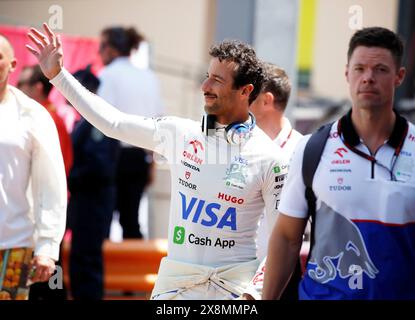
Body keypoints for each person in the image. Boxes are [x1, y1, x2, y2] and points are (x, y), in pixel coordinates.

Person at [26, 23, 286, 300]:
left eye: (217, 81)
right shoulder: (181, 134)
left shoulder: (271, 158)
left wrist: (255, 293)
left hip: (234, 290)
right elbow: (114, 123)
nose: (205, 86)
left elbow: (283, 239)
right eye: (207, 76)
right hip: (176, 286)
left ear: (245, 91)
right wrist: (58, 76)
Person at [263, 26, 415, 300]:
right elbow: (286, 238)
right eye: (359, 69)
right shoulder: (312, 149)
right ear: (347, 73)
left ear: (399, 76)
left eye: (380, 69)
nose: (368, 78)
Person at [0, 34, 67, 300]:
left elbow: (51, 185)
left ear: (13, 65)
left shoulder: (33, 115)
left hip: (13, 247)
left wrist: (48, 247)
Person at [242, 63, 303, 300]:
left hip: (281, 278)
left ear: (266, 100)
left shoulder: (301, 151)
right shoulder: (236, 145)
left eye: (249, 94)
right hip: (233, 273)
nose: (242, 100)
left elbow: (296, 231)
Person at [98, 26, 164, 239]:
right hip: (140, 155)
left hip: (113, 154)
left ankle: (102, 271)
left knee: (104, 217)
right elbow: (159, 123)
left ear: (111, 49)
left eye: (102, 46)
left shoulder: (107, 74)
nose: (99, 52)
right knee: (131, 219)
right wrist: (152, 163)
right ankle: (137, 271)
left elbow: (101, 119)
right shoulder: (148, 77)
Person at [67, 66, 120, 300]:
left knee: (86, 258)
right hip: (87, 200)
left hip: (93, 201)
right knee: (81, 257)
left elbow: (99, 166)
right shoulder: (87, 121)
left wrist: (70, 177)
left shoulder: (97, 122)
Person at [17, 65, 73, 177]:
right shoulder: (43, 116)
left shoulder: (46, 119)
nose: (16, 88)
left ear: (38, 88)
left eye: (21, 84)